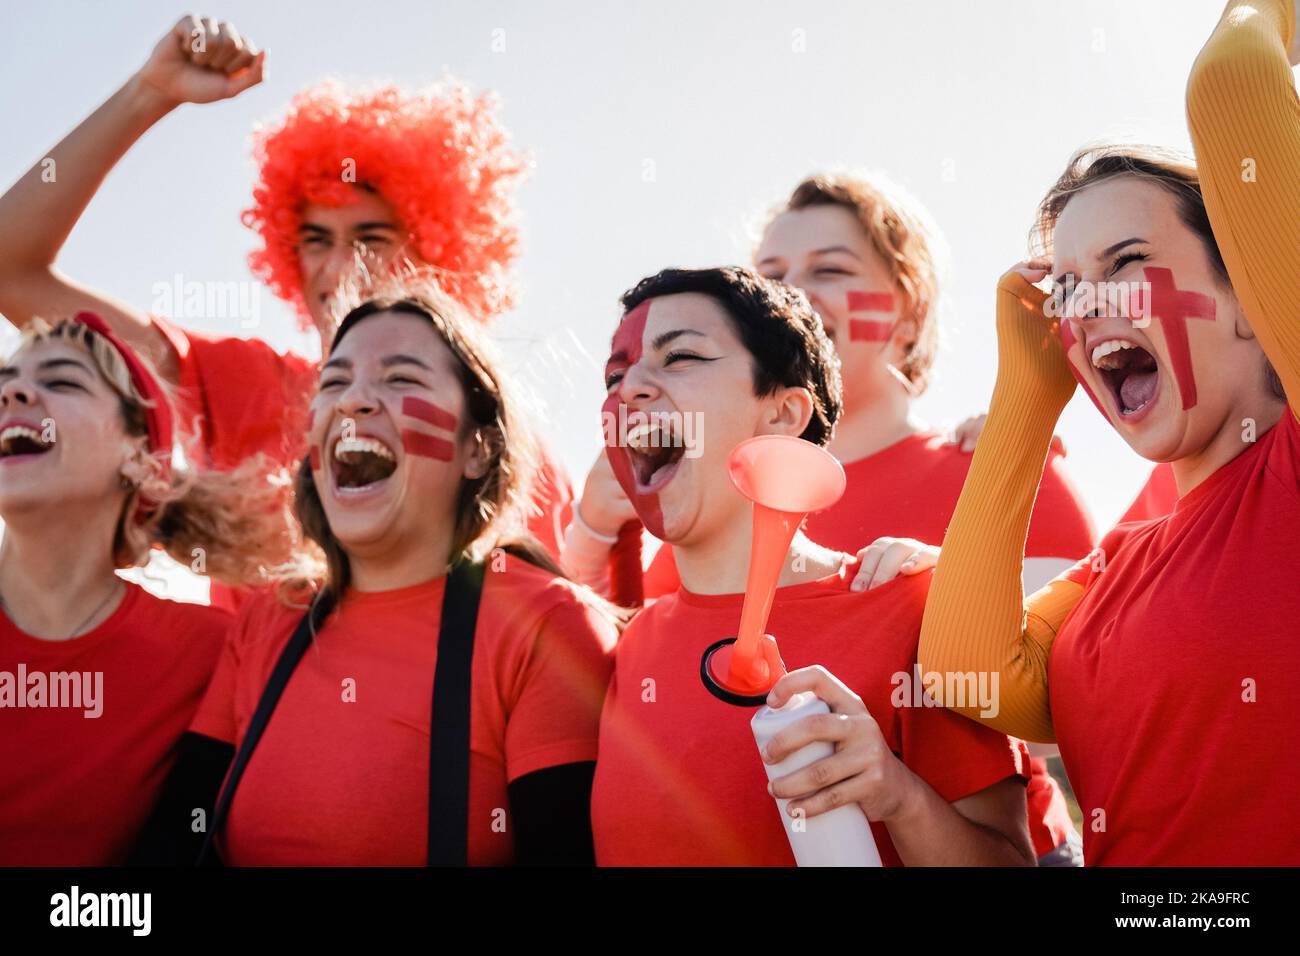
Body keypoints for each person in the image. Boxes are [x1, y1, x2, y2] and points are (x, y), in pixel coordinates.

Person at [567, 172, 1091, 862]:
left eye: (831, 269)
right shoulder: (678, 544)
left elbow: (1063, 718)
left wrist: (957, 605)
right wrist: (593, 528)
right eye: (774, 272)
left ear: (909, 310)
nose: (797, 292)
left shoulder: (984, 471)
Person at [918, 0, 1300, 865]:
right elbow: (964, 671)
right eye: (1067, 292)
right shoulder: (1113, 567)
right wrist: (1026, 388)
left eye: (1126, 264)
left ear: (1249, 301)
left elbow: (1233, 84)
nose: (1086, 308)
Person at [0, 15, 574, 574]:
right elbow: (10, 269)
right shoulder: (247, 386)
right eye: (316, 239)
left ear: (440, 253)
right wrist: (148, 93)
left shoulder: (517, 456)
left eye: (371, 238)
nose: (340, 266)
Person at [144, 282, 617, 865]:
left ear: (477, 449)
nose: (352, 401)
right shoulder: (270, 616)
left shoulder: (549, 624)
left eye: (401, 379)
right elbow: (172, 844)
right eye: (334, 381)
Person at [0, 312, 295, 865]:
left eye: (61, 381)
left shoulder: (213, 655)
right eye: (5, 381)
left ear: (141, 461)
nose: (13, 393)